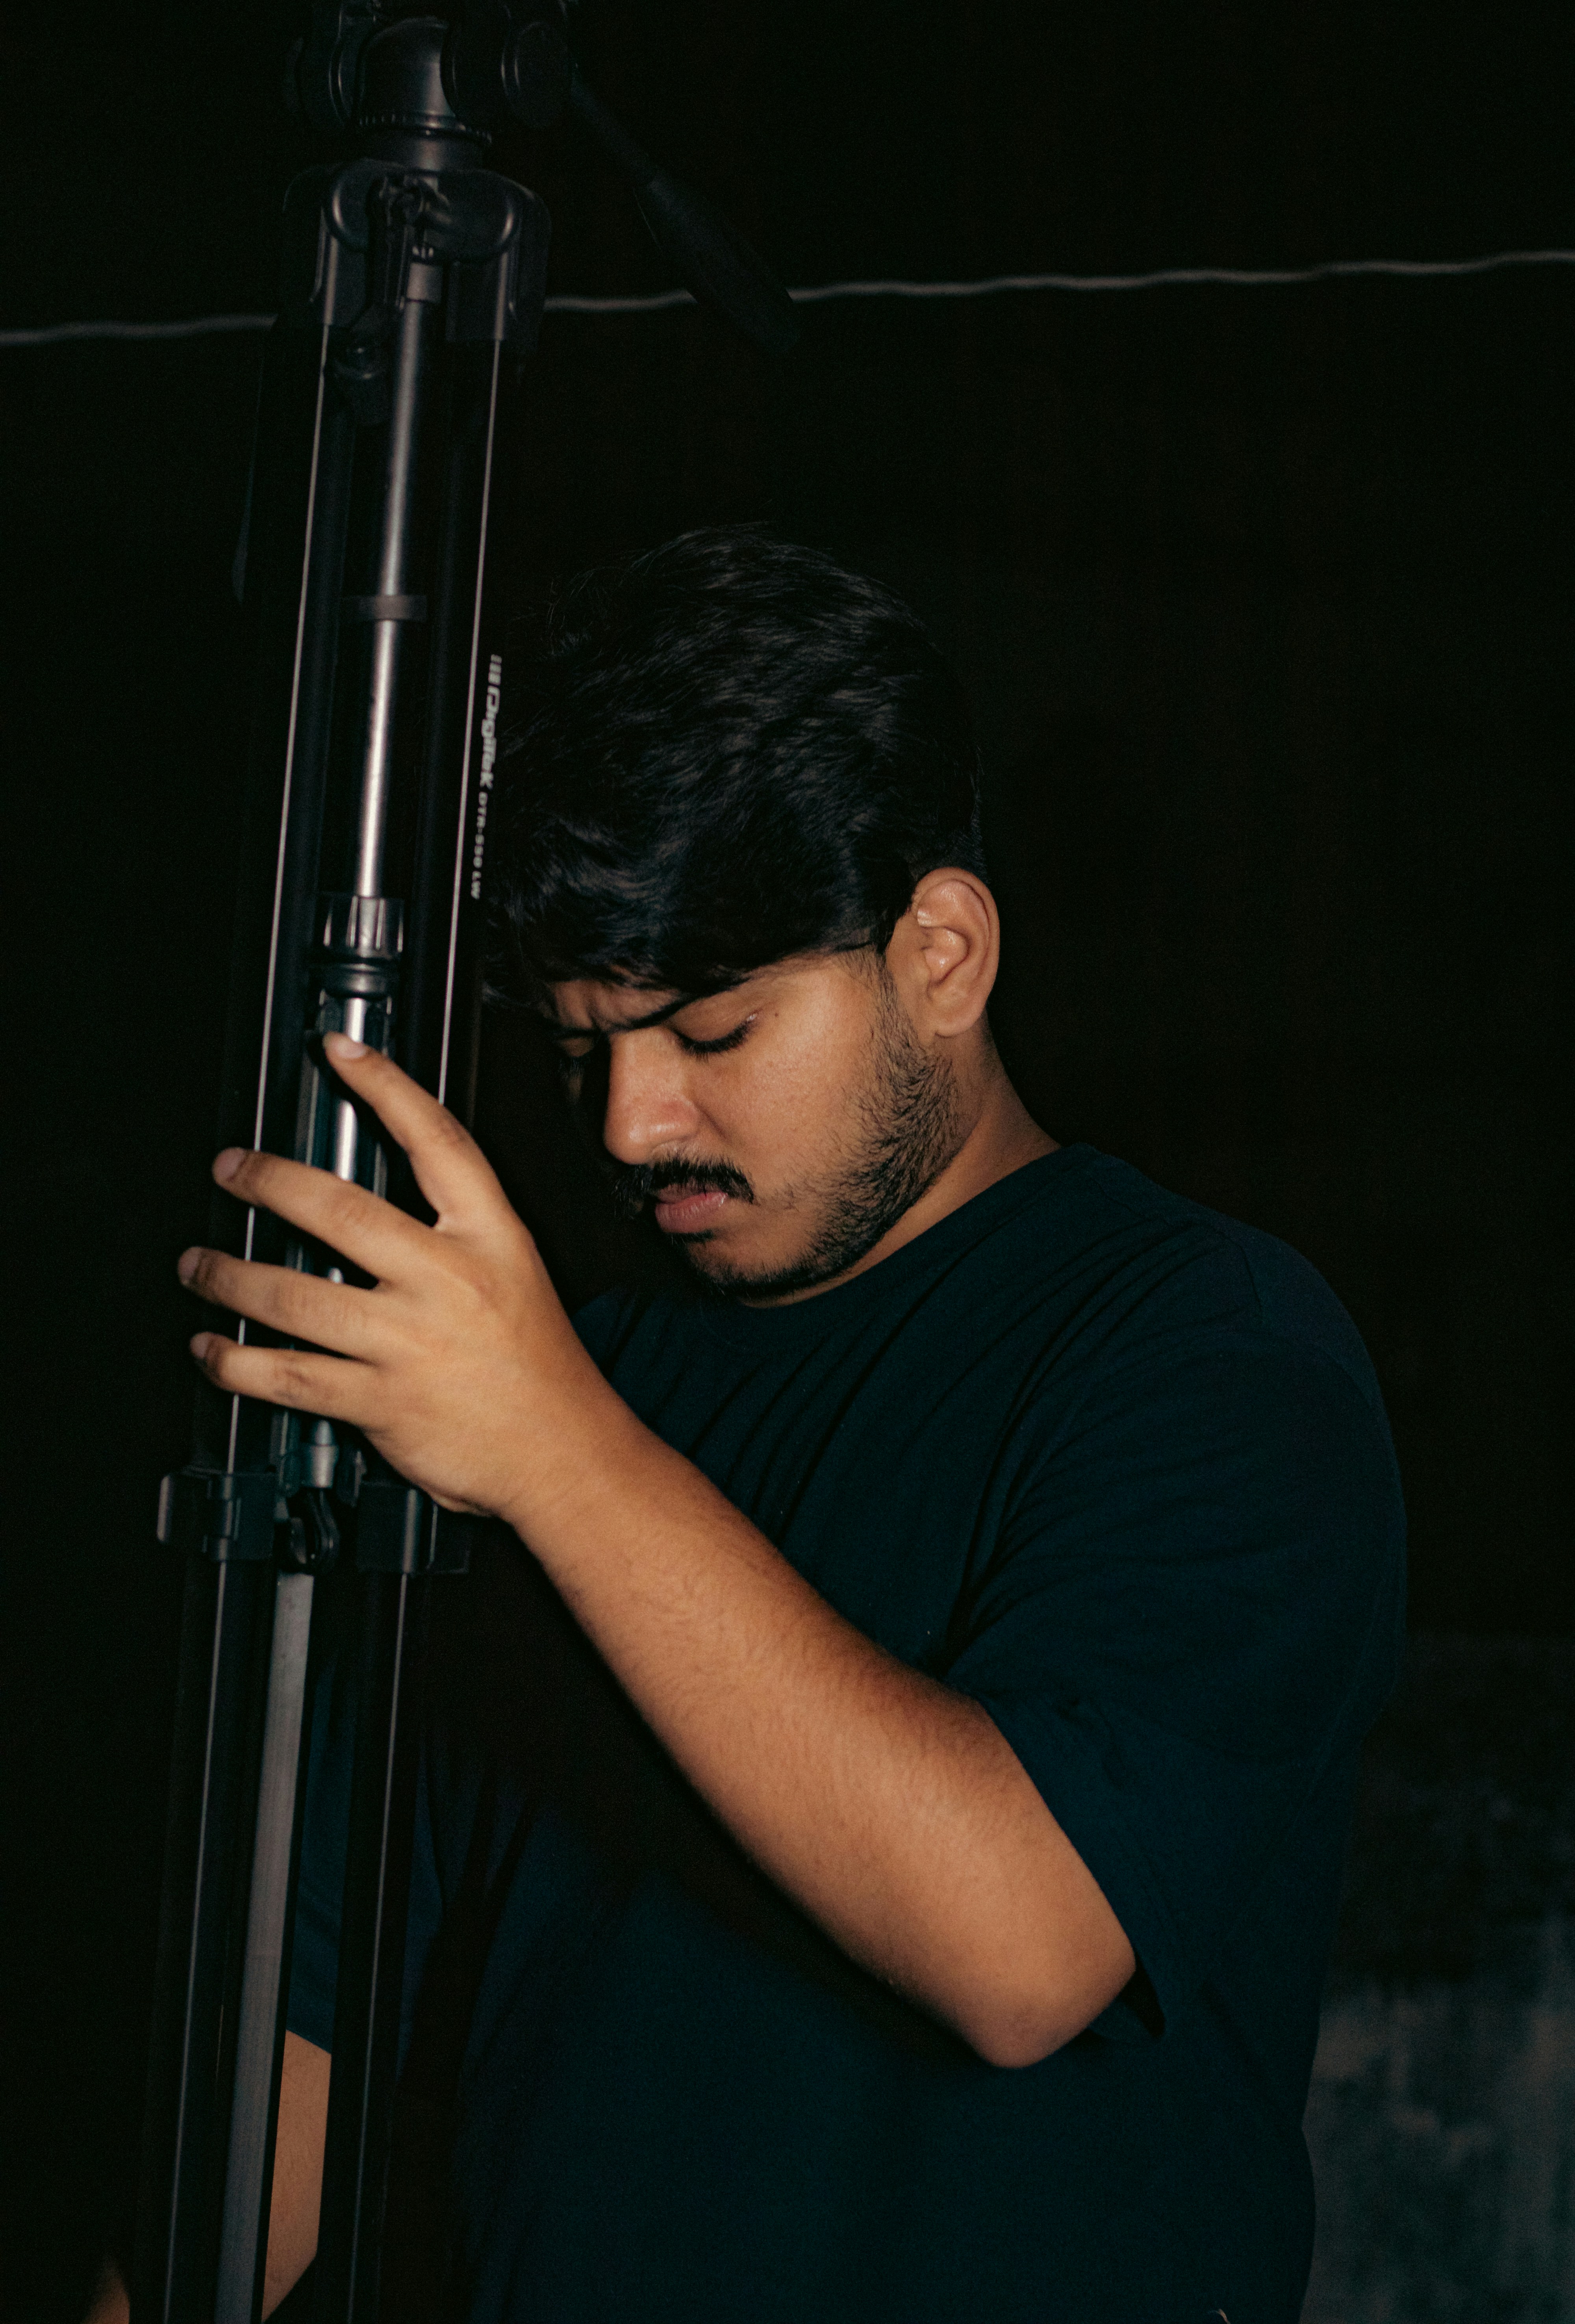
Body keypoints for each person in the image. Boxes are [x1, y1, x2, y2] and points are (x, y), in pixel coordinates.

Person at [102, 530, 1405, 2322]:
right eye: (580, 1046)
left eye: (714, 1029)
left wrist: (550, 1446)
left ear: (939, 951)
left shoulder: (1202, 1348)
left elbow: (1022, 1946)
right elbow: (297, 2049)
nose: (633, 1123)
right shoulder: (555, 1386)